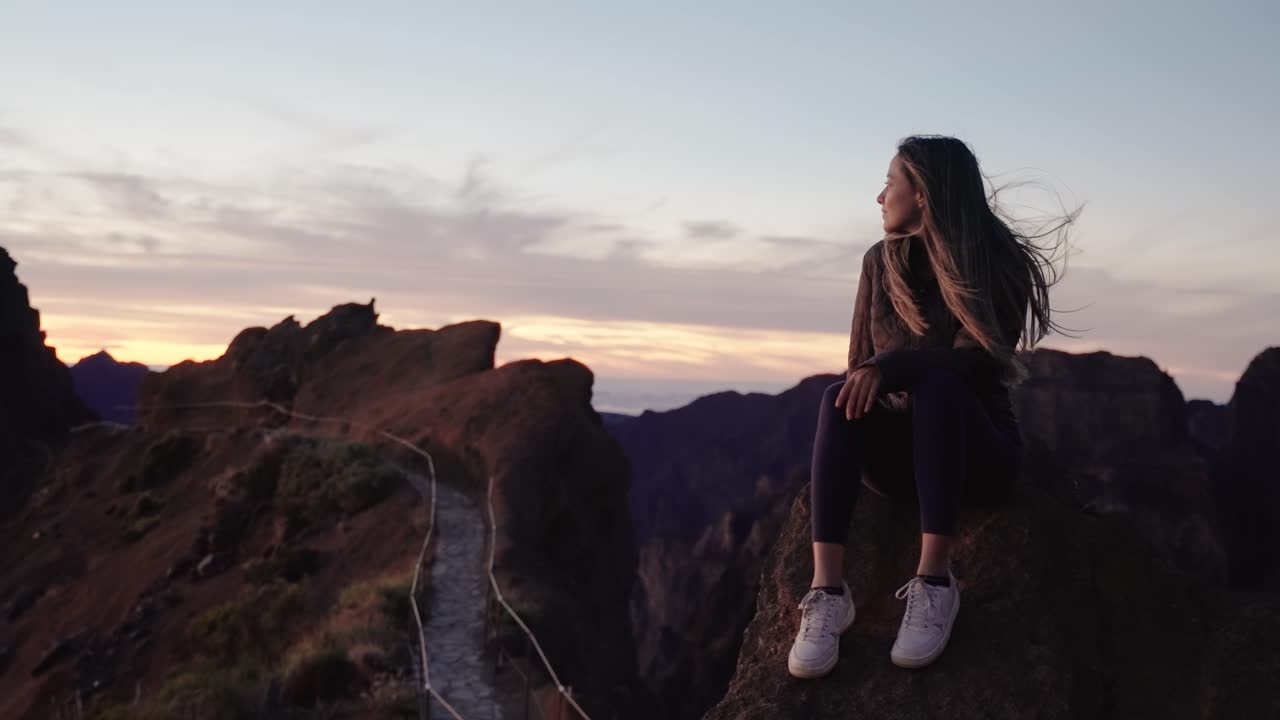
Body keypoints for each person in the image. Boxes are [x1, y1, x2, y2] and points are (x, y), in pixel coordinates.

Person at [787, 135, 1079, 678]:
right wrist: (875, 375)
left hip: (976, 458)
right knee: (836, 398)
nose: (880, 197)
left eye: (890, 183)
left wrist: (893, 369)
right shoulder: (880, 262)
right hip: (899, 464)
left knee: (940, 389)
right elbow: (858, 365)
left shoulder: (996, 262)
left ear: (922, 194)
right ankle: (827, 592)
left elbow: (976, 364)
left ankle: (935, 582)